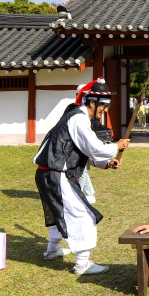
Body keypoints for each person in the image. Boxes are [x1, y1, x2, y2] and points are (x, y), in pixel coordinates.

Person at [34, 78, 129, 276]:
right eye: (103, 105)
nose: (105, 110)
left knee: (57, 213)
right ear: (92, 102)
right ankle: (82, 264)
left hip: (47, 173)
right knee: (83, 215)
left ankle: (52, 251)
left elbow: (85, 152)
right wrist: (116, 147)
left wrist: (107, 163)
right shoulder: (78, 118)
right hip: (57, 173)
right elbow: (95, 148)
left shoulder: (78, 118)